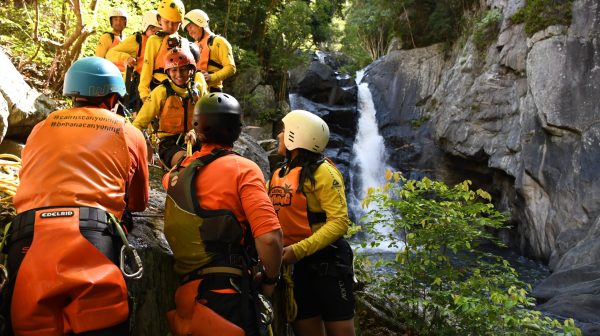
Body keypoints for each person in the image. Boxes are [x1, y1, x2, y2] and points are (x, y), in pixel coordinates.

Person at [4, 56, 149, 335]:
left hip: (28, 237)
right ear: (112, 98)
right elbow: (139, 202)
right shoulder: (128, 131)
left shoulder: (41, 127)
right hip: (93, 237)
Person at [163, 92, 283, 336]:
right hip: (227, 298)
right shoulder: (243, 169)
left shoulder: (175, 175)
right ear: (237, 130)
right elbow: (270, 238)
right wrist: (270, 280)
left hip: (187, 297)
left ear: (197, 127)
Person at [268, 110, 356, 336]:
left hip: (327, 262)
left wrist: (297, 251)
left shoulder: (324, 172)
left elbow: (339, 222)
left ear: (296, 137)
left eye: (284, 131)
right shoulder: (279, 172)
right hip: (296, 266)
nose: (279, 135)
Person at [132, 45, 208, 168]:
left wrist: (194, 132)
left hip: (195, 138)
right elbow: (139, 124)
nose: (179, 74)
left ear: (191, 70)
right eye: (174, 70)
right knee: (188, 164)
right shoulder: (161, 92)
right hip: (168, 143)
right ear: (168, 72)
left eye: (183, 69)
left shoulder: (198, 89)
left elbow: (207, 117)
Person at [106, 10, 161, 112]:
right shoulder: (136, 40)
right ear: (146, 27)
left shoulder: (163, 41)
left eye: (158, 31)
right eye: (153, 30)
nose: (155, 34)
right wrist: (126, 57)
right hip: (138, 85)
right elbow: (110, 54)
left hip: (158, 83)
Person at [138, 0, 186, 103]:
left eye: (174, 23)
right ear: (159, 19)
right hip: (157, 86)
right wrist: (144, 92)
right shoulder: (154, 40)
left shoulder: (184, 42)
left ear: (180, 23)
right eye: (166, 22)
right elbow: (147, 67)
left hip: (178, 89)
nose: (170, 26)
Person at [183, 9, 236, 92]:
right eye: (187, 30)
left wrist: (211, 77)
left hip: (213, 91)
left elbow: (231, 68)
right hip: (195, 90)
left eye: (190, 27)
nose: (190, 32)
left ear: (200, 22)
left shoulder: (219, 42)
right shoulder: (193, 45)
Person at [95, 7, 128, 72]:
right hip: (109, 75)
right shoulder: (106, 37)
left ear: (125, 22)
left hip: (124, 77)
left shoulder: (126, 40)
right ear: (111, 22)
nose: (118, 22)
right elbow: (98, 60)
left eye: (121, 20)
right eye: (115, 19)